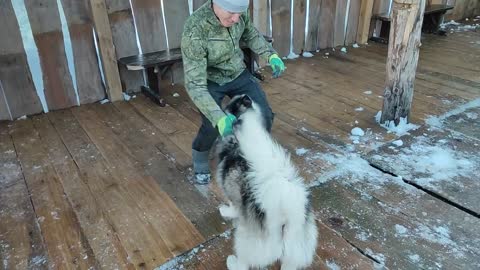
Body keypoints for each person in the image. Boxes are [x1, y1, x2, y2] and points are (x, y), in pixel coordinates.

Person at [181, 0, 285, 184]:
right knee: (212, 126)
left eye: (240, 13)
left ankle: (252, 154)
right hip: (209, 80)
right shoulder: (195, 30)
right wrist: (218, 117)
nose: (236, 18)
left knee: (264, 114)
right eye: (231, 12)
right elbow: (195, 84)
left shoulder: (237, 14)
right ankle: (199, 160)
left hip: (237, 72)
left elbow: (251, 34)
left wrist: (271, 54)